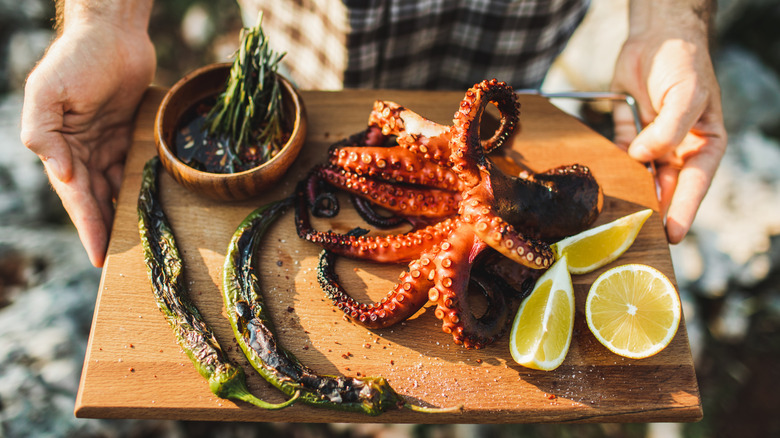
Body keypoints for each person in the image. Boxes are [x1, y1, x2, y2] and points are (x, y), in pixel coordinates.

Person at [21, 0, 727, 268]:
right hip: (320, 25)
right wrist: (103, 19)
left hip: (511, 21)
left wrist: (674, 19)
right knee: (315, 86)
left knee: (492, 101)